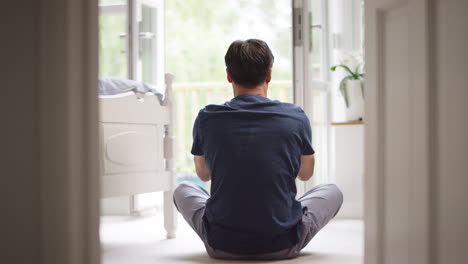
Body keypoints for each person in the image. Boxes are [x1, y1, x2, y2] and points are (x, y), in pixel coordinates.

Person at [173, 39, 343, 260]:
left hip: (221, 244)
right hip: (283, 244)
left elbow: (203, 174)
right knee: (332, 191)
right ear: (269, 75)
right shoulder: (295, 116)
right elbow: (306, 173)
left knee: (182, 189)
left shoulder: (207, 118)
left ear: (229, 75)